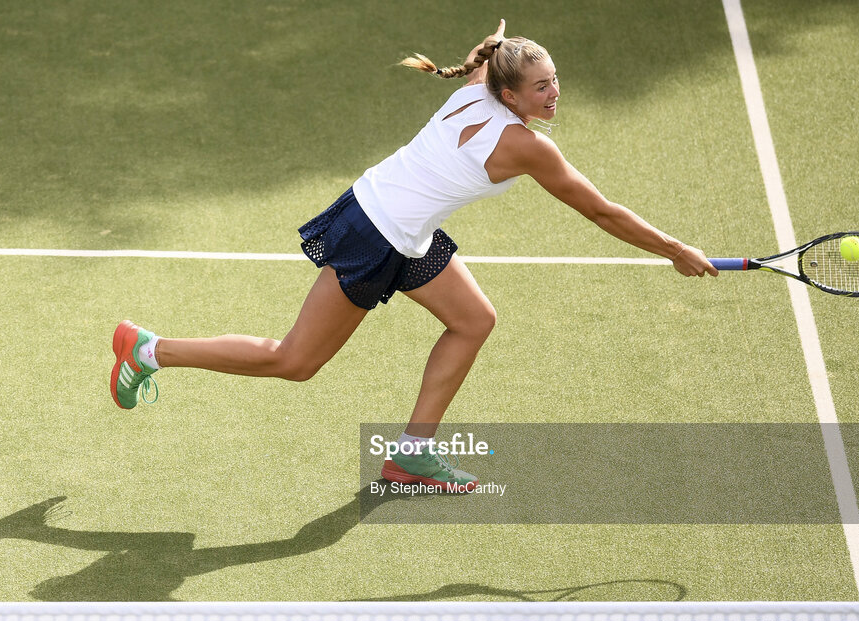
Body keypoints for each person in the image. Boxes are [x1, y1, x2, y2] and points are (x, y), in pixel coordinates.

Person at [110, 20, 718, 491]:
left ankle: (412, 452)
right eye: (541, 86)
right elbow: (602, 211)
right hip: (373, 232)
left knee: (474, 319)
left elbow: (485, 58)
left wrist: (491, 48)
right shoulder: (528, 148)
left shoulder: (477, 88)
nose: (554, 93)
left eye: (554, 79)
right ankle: (149, 350)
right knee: (293, 361)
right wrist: (673, 249)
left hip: (408, 232)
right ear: (509, 92)